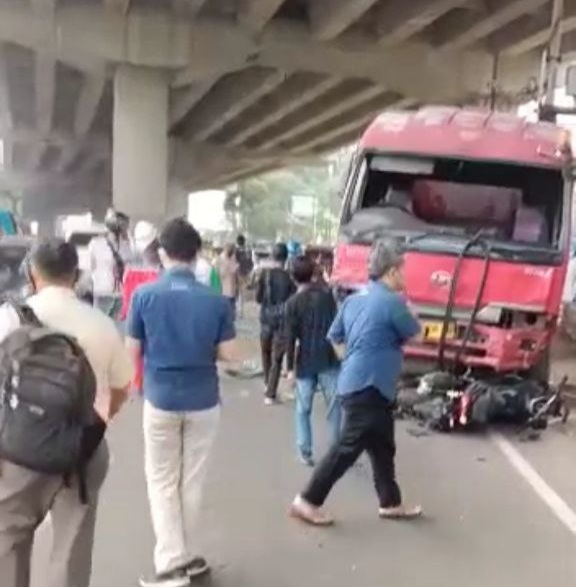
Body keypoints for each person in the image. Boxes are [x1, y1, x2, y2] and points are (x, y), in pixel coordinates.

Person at [0, 239, 133, 587]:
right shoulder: (100, 324)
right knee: (71, 548)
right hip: (81, 447)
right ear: (75, 275)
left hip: (17, 449)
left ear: (31, 273)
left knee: (9, 542)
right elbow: (122, 387)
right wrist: (98, 424)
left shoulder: (8, 317)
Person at [125, 218, 240, 587]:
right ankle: (184, 556)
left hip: (160, 399)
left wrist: (135, 387)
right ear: (197, 254)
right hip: (204, 400)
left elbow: (133, 354)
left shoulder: (144, 296)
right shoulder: (216, 301)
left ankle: (172, 565)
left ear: (161, 253)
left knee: (161, 481)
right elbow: (228, 354)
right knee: (191, 481)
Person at [290, 238, 422, 526]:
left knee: (382, 445)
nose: (405, 275)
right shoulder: (392, 303)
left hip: (361, 383)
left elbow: (334, 337)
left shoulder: (354, 299)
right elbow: (417, 333)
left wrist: (350, 359)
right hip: (370, 387)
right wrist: (409, 307)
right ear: (391, 272)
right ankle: (308, 500)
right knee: (347, 448)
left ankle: (391, 502)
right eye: (402, 269)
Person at [285, 255, 341, 466]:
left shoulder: (292, 303)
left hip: (305, 362)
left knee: (302, 409)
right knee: (334, 407)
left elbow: (290, 338)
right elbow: (337, 328)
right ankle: (336, 451)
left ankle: (305, 451)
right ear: (312, 275)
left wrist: (289, 369)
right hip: (329, 359)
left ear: (293, 277)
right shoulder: (327, 297)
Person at [256, 242, 296, 405]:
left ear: (272, 256)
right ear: (286, 258)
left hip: (265, 319)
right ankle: (270, 394)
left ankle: (267, 384)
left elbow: (258, 298)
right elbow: (292, 303)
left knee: (265, 353)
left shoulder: (264, 276)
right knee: (277, 358)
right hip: (281, 321)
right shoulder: (289, 279)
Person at [88, 208, 133, 319]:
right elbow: (90, 268)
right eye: (125, 227)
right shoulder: (96, 244)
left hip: (116, 293)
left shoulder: (125, 245)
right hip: (105, 293)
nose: (126, 230)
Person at [217, 243, 240, 318]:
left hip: (231, 286)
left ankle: (231, 316)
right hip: (224, 288)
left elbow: (234, 271)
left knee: (231, 303)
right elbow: (220, 273)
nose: (233, 253)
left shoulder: (232, 257)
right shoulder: (221, 258)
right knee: (227, 304)